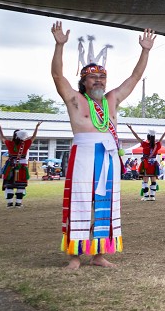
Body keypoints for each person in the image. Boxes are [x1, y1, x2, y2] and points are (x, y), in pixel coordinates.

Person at [51, 22, 155, 269]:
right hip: (83, 155)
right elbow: (57, 76)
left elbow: (135, 77)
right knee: (79, 203)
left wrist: (145, 51)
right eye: (93, 77)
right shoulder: (74, 99)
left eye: (102, 77)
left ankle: (98, 254)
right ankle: (75, 255)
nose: (99, 81)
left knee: (105, 204)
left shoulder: (112, 99)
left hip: (108, 156)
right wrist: (59, 46)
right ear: (84, 81)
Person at [0, 122, 41, 207]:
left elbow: (2, 137)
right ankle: (18, 203)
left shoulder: (9, 143)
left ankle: (9, 203)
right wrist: (37, 127)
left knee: (9, 186)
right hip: (22, 168)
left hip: (10, 167)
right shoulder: (26, 144)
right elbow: (33, 137)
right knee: (21, 186)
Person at [125, 124, 165, 201]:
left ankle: (146, 196)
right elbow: (161, 138)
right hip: (154, 164)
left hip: (146, 164)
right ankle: (152, 196)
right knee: (153, 180)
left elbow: (137, 137)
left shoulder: (145, 144)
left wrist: (131, 129)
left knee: (145, 181)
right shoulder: (157, 145)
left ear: (147, 138)